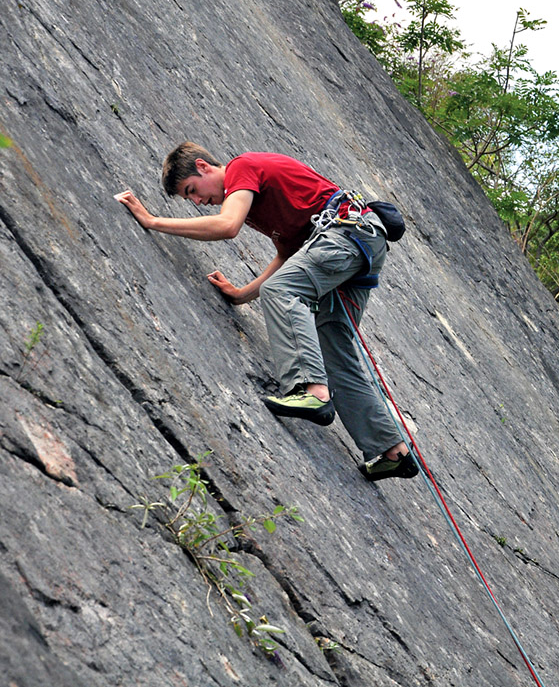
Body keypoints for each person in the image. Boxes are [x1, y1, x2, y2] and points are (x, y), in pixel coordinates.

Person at [115, 142, 417, 481]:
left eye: (193, 191)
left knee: (283, 293)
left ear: (204, 167)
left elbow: (228, 226)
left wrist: (153, 221)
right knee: (332, 341)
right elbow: (287, 259)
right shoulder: (264, 209)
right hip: (360, 244)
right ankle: (392, 451)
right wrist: (242, 295)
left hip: (348, 235)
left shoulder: (241, 168)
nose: (198, 203)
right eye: (191, 200)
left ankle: (311, 391)